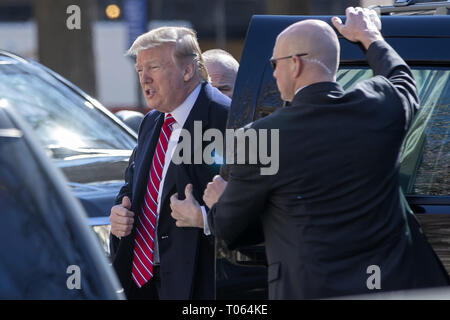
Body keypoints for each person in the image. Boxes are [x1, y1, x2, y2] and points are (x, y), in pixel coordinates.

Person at [170, 7, 450, 299]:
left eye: (275, 63)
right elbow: (404, 82)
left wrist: (218, 205)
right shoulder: (378, 107)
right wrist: (370, 37)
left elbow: (232, 230)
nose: (274, 72)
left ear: (295, 64)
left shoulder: (259, 137)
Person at [109, 26, 230, 300]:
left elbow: (249, 207)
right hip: (140, 282)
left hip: (196, 285)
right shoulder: (151, 121)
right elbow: (132, 186)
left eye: (153, 66)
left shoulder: (225, 119)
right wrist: (119, 213)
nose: (144, 78)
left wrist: (203, 219)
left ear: (187, 71)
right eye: (139, 69)